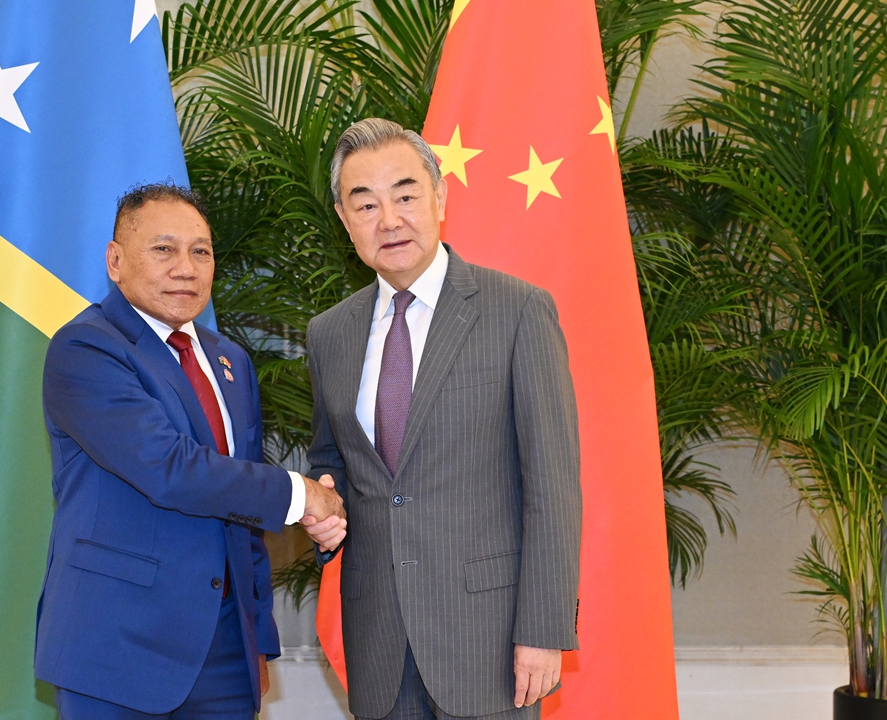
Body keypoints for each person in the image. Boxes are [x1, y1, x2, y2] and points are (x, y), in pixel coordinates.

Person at [300, 118, 582, 720]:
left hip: (490, 638)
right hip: (379, 635)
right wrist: (325, 505)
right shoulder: (330, 334)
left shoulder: (517, 312)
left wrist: (544, 629)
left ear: (440, 197)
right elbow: (333, 459)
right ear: (344, 219)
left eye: (405, 196)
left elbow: (552, 487)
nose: (390, 219)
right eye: (366, 204)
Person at [36, 183, 346, 720]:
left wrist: (258, 641)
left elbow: (240, 504)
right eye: (163, 249)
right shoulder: (87, 348)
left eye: (200, 251)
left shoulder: (230, 361)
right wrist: (302, 496)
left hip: (226, 651)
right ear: (115, 261)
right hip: (117, 648)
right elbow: (169, 469)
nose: (186, 267)